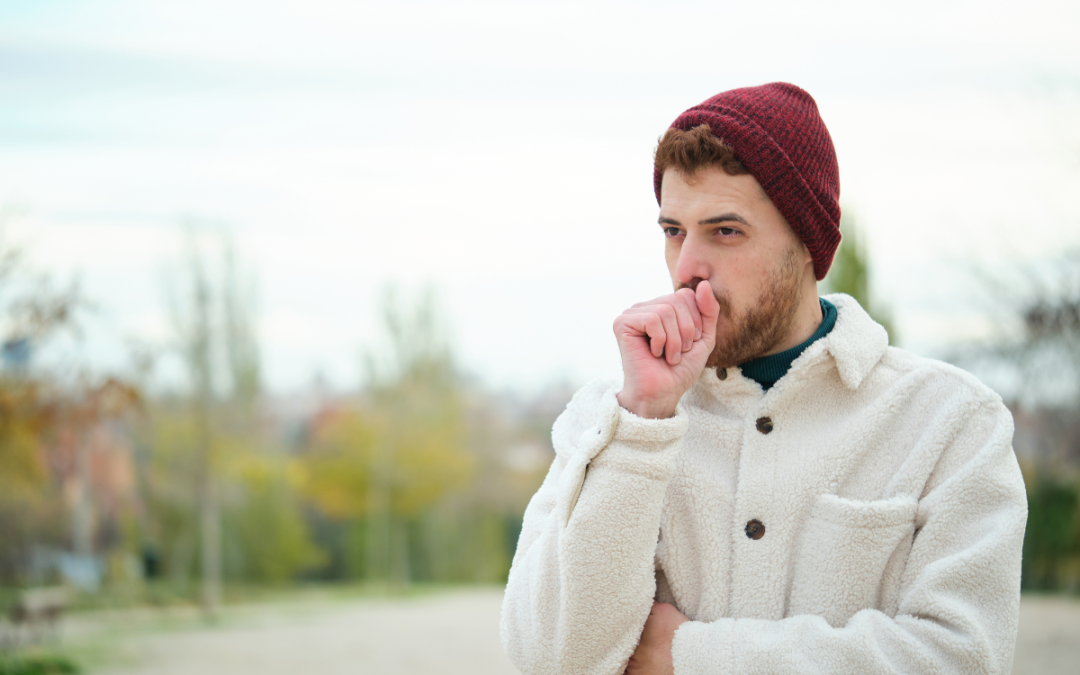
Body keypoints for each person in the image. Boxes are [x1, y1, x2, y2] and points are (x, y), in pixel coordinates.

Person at [500, 83, 1028, 675]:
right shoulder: (611, 418)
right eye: (673, 231)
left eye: (726, 231)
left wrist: (691, 658)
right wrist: (644, 423)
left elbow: (962, 659)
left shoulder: (949, 420)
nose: (689, 267)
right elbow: (547, 659)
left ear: (807, 241)